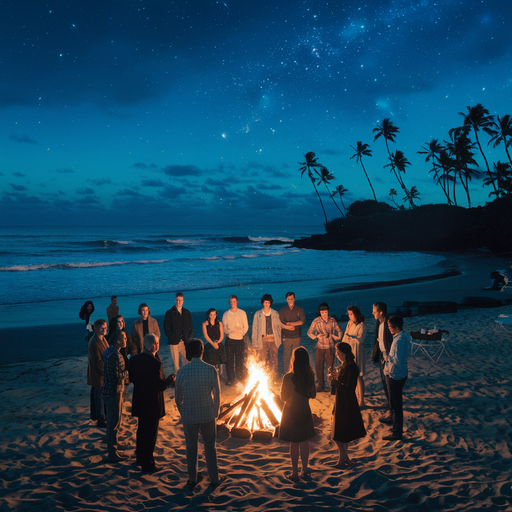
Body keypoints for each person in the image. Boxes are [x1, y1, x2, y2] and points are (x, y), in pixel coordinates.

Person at [175, 338, 221, 490]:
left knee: (191, 447)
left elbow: (178, 397)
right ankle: (214, 478)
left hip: (190, 415)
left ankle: (192, 478)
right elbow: (217, 393)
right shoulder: (210, 369)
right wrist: (215, 412)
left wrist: (183, 411)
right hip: (207, 414)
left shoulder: (181, 371)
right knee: (210, 447)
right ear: (202, 351)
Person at [128, 334, 175, 473]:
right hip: (152, 403)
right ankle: (148, 463)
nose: (158, 345)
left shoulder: (134, 360)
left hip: (140, 401)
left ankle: (140, 458)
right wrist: (169, 381)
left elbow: (133, 378)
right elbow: (158, 386)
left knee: (141, 430)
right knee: (150, 433)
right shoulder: (155, 363)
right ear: (153, 345)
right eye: (157, 343)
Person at [279, 347, 316, 480]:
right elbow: (313, 395)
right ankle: (304, 470)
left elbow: (283, 397)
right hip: (305, 412)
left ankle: (295, 472)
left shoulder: (288, 377)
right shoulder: (310, 375)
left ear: (294, 360)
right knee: (304, 442)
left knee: (294, 443)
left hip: (291, 413)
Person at [331, 342, 366, 467]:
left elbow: (347, 388)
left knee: (338, 435)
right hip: (343, 401)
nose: (336, 354)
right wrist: (334, 379)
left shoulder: (351, 368)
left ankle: (342, 459)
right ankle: (344, 458)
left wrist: (335, 381)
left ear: (343, 353)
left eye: (337, 351)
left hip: (346, 402)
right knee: (343, 433)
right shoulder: (345, 366)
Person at [383, 315, 411, 441]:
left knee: (395, 406)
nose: (388, 329)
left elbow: (398, 360)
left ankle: (397, 432)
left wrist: (387, 358)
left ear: (396, 327)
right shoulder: (404, 336)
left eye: (390, 326)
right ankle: (396, 429)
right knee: (396, 404)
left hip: (396, 375)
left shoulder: (399, 340)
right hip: (401, 373)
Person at [101, 330, 127, 462]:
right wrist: (126, 376)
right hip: (114, 392)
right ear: (117, 340)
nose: (126, 339)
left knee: (113, 421)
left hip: (109, 390)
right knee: (113, 422)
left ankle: (113, 446)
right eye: (123, 338)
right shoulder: (115, 355)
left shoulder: (108, 351)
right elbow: (117, 376)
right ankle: (112, 451)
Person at [307, 303, 341, 392]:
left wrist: (334, 336)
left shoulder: (332, 320)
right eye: (322, 313)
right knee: (319, 366)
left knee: (330, 366)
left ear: (328, 311)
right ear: (320, 313)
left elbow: (340, 332)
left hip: (330, 347)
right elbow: (309, 332)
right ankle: (321, 384)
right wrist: (317, 336)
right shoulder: (316, 321)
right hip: (319, 346)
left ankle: (332, 384)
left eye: (326, 312)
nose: (324, 314)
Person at [251, 294, 282, 380]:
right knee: (262, 358)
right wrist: (254, 342)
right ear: (262, 303)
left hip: (273, 339)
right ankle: (263, 376)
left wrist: (278, 339)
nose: (267, 304)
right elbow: (254, 328)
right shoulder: (258, 314)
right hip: (263, 339)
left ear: (270, 303)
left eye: (268, 302)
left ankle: (274, 376)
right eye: (265, 302)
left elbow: (279, 327)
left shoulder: (275, 313)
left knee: (274, 358)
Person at [341, 305, 367, 407]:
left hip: (358, 351)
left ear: (356, 314)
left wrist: (351, 337)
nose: (349, 316)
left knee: (359, 375)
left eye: (351, 314)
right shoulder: (349, 323)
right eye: (348, 314)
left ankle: (362, 401)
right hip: (350, 351)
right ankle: (356, 397)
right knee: (352, 374)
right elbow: (345, 336)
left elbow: (360, 339)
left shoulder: (362, 325)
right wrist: (342, 347)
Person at [371, 302, 393, 420]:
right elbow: (378, 339)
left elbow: (391, 342)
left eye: (374, 311)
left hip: (389, 358)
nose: (372, 313)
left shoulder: (388, 324)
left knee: (390, 385)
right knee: (385, 383)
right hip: (382, 357)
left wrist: (388, 356)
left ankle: (392, 411)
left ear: (381, 312)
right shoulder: (379, 323)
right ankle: (390, 403)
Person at [222, 295, 249, 386]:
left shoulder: (242, 313)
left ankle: (240, 378)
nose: (232, 303)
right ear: (229, 302)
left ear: (237, 302)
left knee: (239, 361)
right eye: (231, 301)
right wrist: (229, 332)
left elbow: (246, 326)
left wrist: (241, 334)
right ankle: (231, 379)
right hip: (229, 340)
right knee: (229, 361)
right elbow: (224, 328)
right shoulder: (226, 314)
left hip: (240, 340)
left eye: (234, 301)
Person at [164, 292, 194, 372]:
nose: (179, 302)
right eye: (177, 300)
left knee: (187, 361)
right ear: (175, 300)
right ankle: (178, 381)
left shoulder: (187, 313)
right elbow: (166, 328)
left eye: (180, 300)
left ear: (183, 300)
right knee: (176, 365)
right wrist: (172, 337)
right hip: (174, 342)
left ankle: (186, 378)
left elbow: (190, 327)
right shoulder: (169, 313)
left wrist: (190, 339)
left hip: (185, 341)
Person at [87, 318, 109, 428]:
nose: (104, 330)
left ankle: (99, 416)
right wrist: (106, 371)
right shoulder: (94, 342)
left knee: (99, 396)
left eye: (105, 327)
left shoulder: (102, 339)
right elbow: (98, 362)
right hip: (98, 375)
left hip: (101, 374)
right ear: (96, 328)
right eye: (102, 328)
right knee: (99, 396)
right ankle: (100, 419)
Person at [279, 292, 306, 375]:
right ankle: (287, 374)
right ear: (286, 300)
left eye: (292, 299)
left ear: (294, 299)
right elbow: (281, 324)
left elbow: (302, 321)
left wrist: (290, 324)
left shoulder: (299, 309)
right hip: (286, 337)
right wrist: (291, 326)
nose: (290, 300)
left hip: (297, 336)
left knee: (296, 356)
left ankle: (296, 373)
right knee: (286, 357)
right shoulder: (282, 310)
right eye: (288, 299)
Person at [202, 308, 226, 377]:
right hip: (210, 343)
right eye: (211, 315)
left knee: (220, 350)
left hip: (218, 343)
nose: (213, 316)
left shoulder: (219, 323)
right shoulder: (205, 324)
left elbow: (222, 335)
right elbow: (205, 336)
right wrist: (213, 343)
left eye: (214, 314)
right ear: (209, 315)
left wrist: (217, 342)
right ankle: (211, 373)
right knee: (210, 357)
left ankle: (220, 373)